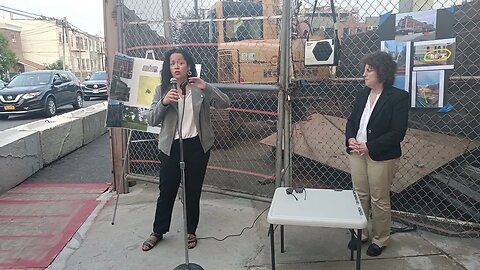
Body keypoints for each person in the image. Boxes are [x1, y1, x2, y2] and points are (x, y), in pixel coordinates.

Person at [142, 48, 231, 251]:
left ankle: (191, 230)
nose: (176, 66)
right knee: (167, 190)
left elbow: (225, 103)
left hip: (196, 146)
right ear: (168, 68)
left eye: (181, 62)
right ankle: (158, 230)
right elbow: (152, 119)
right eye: (172, 63)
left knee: (192, 191)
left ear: (188, 66)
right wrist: (164, 102)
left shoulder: (200, 89)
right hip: (171, 147)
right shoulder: (162, 90)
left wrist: (207, 87)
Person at [345, 51, 409, 257]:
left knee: (379, 198)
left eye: (369, 71)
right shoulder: (362, 93)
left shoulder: (398, 97)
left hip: (381, 155)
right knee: (360, 195)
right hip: (357, 152)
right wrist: (350, 138)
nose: (364, 75)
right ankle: (361, 233)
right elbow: (352, 121)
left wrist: (370, 146)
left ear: (382, 72)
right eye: (364, 71)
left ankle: (380, 238)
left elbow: (397, 133)